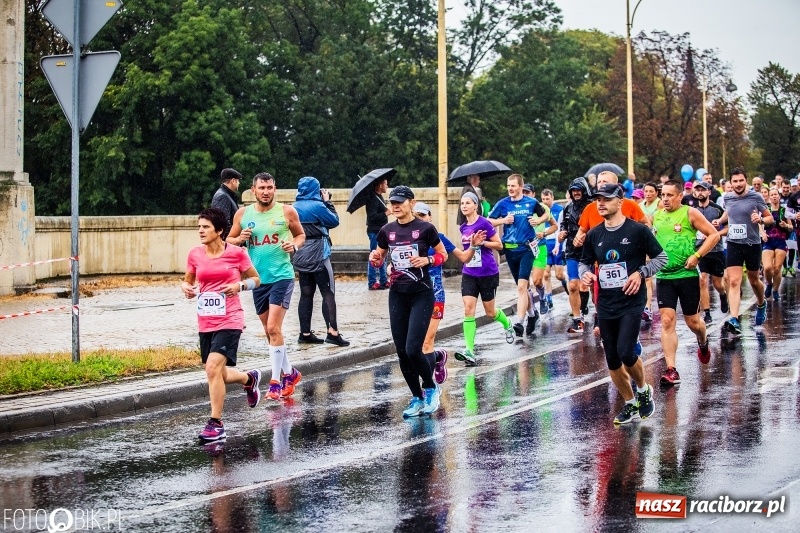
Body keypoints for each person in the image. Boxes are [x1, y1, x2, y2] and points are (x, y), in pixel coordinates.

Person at [579, 183, 666, 424]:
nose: (601, 203)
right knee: (612, 358)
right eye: (598, 199)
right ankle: (629, 403)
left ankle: (643, 389)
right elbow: (584, 262)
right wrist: (585, 274)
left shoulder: (638, 230)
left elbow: (661, 258)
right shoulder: (594, 234)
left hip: (631, 301)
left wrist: (641, 273)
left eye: (606, 199)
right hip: (606, 303)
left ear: (620, 201)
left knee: (626, 351)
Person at [182, 207, 262, 442]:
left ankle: (216, 424)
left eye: (205, 227)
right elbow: (188, 281)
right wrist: (186, 288)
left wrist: (239, 286)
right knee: (217, 371)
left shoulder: (236, 254)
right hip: (206, 319)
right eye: (199, 227)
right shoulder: (195, 254)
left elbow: (256, 279)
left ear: (219, 231)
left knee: (212, 369)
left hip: (231, 318)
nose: (200, 231)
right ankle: (249, 379)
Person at [369, 185, 449, 417]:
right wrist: (375, 259)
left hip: (422, 293)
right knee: (402, 351)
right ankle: (416, 397)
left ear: (412, 203)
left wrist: (427, 260)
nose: (395, 206)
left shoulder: (425, 228)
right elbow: (380, 257)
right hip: (398, 294)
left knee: (414, 348)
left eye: (400, 202)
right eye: (392, 202)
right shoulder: (387, 230)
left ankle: (431, 388)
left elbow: (442, 254)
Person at [227, 172, 306, 401]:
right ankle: (290, 373)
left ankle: (275, 382)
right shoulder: (243, 214)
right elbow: (228, 240)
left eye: (269, 188)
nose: (265, 192)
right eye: (261, 188)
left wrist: (294, 245)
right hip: (258, 280)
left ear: (275, 189)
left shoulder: (286, 211)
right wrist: (239, 239)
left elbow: (301, 235)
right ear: (253, 190)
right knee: (270, 331)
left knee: (273, 327)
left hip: (282, 276)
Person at [653, 180, 720, 385]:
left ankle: (703, 341)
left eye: (669, 195)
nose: (665, 199)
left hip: (687, 275)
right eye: (663, 195)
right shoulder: (657, 216)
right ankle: (671, 369)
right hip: (664, 276)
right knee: (667, 321)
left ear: (680, 196)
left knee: (693, 323)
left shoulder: (690, 213)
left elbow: (714, 235)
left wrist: (697, 256)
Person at [574, 171, 650, 335]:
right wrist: (578, 240)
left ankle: (629, 336)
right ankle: (606, 326)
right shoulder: (591, 208)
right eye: (599, 182)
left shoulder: (629, 205)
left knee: (627, 305)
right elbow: (581, 233)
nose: (601, 184)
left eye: (605, 182)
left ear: (616, 186)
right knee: (599, 299)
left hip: (628, 265)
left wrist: (640, 244)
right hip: (601, 265)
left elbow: (646, 225)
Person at [449, 192, 514, 365]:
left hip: (487, 273)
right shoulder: (463, 227)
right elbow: (467, 250)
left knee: (490, 312)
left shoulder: (484, 223)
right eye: (462, 203)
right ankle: (469, 351)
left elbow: (499, 245)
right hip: (469, 273)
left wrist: (482, 243)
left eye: (468, 203)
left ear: (475, 205)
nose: (464, 206)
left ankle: (507, 323)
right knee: (468, 310)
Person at [712, 167, 774, 334]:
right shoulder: (728, 197)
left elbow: (770, 218)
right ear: (730, 183)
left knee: (754, 280)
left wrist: (760, 219)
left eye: (741, 181)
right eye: (735, 181)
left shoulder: (756, 197)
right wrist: (720, 220)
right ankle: (734, 318)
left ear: (746, 180)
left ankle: (761, 303)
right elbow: (729, 213)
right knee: (733, 281)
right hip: (734, 243)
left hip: (752, 244)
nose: (738, 184)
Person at [488, 174, 548, 337]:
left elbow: (545, 215)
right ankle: (532, 314)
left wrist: (538, 221)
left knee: (522, 286)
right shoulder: (503, 203)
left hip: (527, 248)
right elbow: (488, 221)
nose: (510, 188)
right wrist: (503, 221)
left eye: (513, 186)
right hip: (510, 249)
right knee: (524, 288)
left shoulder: (531, 202)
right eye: (508, 186)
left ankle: (519, 322)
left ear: (521, 186)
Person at [292, 177, 349, 347]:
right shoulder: (318, 206)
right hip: (319, 254)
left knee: (306, 294)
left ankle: (305, 333)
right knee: (328, 293)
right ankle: (333, 332)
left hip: (301, 252)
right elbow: (334, 221)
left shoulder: (293, 207)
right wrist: (327, 202)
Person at [412, 201, 456, 381]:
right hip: (413, 297)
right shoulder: (407, 240)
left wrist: (475, 246)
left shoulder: (440, 238)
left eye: (423, 215)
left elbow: (463, 256)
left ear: (430, 217)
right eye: (416, 216)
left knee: (426, 342)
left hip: (435, 295)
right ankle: (438, 357)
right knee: (414, 345)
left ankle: (429, 387)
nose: (420, 219)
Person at [690, 180, 729, 324]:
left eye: (703, 190)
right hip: (699, 250)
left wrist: (715, 234)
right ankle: (707, 312)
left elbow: (728, 228)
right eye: (697, 190)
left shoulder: (718, 210)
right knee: (702, 280)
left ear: (709, 192)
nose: (700, 193)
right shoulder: (692, 211)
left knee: (718, 283)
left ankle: (723, 294)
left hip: (715, 250)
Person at [560, 177, 593, 333]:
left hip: (590, 251)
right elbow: (563, 225)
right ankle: (577, 319)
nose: (576, 193)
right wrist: (562, 233)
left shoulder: (592, 206)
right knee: (573, 285)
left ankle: (590, 311)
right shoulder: (568, 207)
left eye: (579, 190)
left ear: (584, 191)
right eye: (573, 191)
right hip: (572, 250)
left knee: (587, 286)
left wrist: (587, 236)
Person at [522, 183, 557, 323]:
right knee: (524, 284)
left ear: (533, 194)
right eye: (523, 192)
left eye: (527, 192)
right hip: (523, 249)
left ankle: (542, 297)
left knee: (537, 281)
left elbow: (555, 226)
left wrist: (544, 233)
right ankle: (532, 312)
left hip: (539, 247)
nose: (525, 195)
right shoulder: (518, 209)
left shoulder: (542, 208)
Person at [762, 188, 792, 301]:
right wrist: (762, 233)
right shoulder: (766, 210)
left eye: (776, 195)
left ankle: (775, 290)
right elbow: (759, 222)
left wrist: (786, 225)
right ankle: (769, 284)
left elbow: (791, 227)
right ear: (769, 197)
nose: (774, 196)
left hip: (781, 241)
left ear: (779, 196)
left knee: (777, 268)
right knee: (767, 268)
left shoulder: (784, 210)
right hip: (768, 241)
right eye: (772, 195)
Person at [541, 188, 567, 310]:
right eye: (543, 199)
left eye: (547, 199)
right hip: (545, 244)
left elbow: (561, 228)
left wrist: (560, 244)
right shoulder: (540, 210)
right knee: (545, 274)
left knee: (559, 275)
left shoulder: (559, 210)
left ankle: (565, 284)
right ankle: (549, 299)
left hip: (557, 245)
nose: (545, 201)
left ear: (552, 198)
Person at [366, 177, 390, 290]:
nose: (387, 186)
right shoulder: (373, 198)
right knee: (375, 255)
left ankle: (383, 280)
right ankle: (372, 281)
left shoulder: (379, 197)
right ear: (380, 185)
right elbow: (372, 217)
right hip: (375, 231)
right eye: (385, 184)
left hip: (382, 231)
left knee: (383, 255)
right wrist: (385, 213)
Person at [210, 168, 243, 240]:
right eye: (238, 181)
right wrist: (233, 240)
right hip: (226, 242)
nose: (239, 183)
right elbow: (223, 222)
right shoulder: (223, 196)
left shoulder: (226, 195)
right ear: (233, 181)